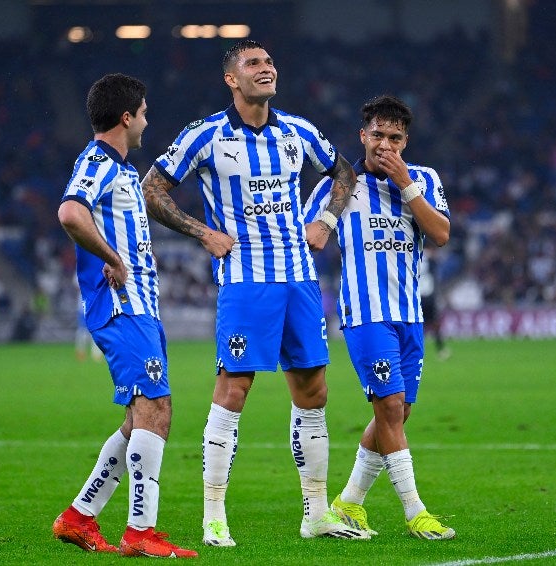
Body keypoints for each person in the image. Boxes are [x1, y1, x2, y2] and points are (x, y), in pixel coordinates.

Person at [140, 39, 367, 546]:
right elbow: (152, 187)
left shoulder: (298, 131)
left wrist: (326, 220)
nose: (266, 69)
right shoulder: (205, 136)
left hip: (299, 279)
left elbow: (344, 171)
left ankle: (315, 513)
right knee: (234, 389)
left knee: (314, 392)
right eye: (253, 64)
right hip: (245, 281)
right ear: (231, 79)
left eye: (268, 62)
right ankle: (214, 514)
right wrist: (202, 232)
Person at [52, 73, 197, 558]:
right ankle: (140, 532)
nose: (147, 120)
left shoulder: (121, 169)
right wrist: (113, 258)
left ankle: (79, 517)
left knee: (141, 418)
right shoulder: (99, 162)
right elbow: (71, 212)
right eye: (145, 112)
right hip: (121, 306)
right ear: (126, 117)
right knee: (155, 408)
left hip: (139, 308)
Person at [303, 95, 455, 540]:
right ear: (362, 136)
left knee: (399, 412)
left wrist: (406, 184)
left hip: (410, 315)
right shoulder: (340, 186)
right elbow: (310, 236)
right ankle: (415, 512)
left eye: (395, 137)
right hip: (366, 314)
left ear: (406, 141)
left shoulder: (423, 178)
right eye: (377, 135)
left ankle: (349, 501)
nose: (385, 144)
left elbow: (442, 233)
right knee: (388, 406)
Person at [419, 250, 451, 360]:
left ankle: (416, 350)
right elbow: (436, 277)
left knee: (418, 324)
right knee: (434, 323)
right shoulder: (431, 260)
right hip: (429, 295)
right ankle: (441, 349)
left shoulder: (412, 255)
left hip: (417, 295)